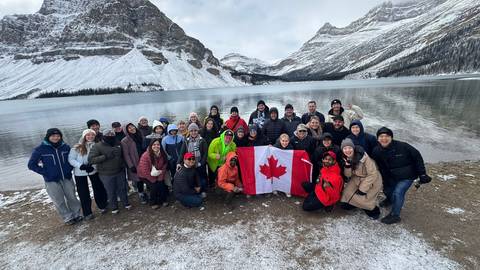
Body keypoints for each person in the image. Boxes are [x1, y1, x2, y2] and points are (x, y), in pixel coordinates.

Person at [371, 127, 432, 224]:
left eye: (387, 136)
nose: (384, 138)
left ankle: (395, 215)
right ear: (378, 138)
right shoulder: (376, 151)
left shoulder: (403, 146)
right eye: (381, 136)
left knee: (398, 192)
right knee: (388, 190)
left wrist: (422, 174)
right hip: (389, 176)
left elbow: (417, 157)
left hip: (407, 176)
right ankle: (390, 200)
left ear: (391, 137)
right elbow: (375, 165)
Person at [28, 128, 82, 225]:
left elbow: (71, 159)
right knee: (58, 200)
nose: (56, 138)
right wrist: (45, 172)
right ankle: (67, 217)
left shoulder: (65, 147)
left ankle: (77, 214)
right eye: (53, 136)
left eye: (58, 136)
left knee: (72, 197)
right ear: (48, 137)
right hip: (51, 180)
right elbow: (31, 165)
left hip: (67, 177)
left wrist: (68, 169)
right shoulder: (40, 149)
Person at [68, 129, 108, 220]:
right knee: (83, 192)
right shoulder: (77, 147)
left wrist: (93, 166)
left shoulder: (97, 145)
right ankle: (87, 212)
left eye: (92, 135)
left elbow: (98, 157)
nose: (90, 137)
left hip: (93, 170)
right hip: (80, 172)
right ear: (84, 136)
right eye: (88, 135)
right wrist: (80, 166)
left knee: (98, 189)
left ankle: (102, 206)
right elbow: (71, 159)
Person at [89, 130, 130, 214]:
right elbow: (91, 159)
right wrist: (105, 156)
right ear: (103, 136)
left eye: (112, 134)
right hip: (106, 173)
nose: (110, 135)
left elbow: (123, 155)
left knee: (122, 188)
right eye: (108, 134)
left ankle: (126, 203)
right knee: (110, 191)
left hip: (120, 171)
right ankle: (114, 207)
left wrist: (123, 165)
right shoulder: (97, 146)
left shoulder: (118, 144)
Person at [339, 138, 382, 220]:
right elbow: (348, 175)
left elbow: (373, 173)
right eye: (345, 148)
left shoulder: (364, 157)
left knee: (364, 197)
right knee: (346, 194)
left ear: (353, 148)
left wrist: (363, 189)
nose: (347, 150)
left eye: (349, 148)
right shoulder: (346, 158)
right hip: (357, 178)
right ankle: (353, 204)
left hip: (372, 179)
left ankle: (372, 209)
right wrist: (347, 166)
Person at [177, 123, 209, 197]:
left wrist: (201, 163)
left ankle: (204, 190)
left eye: (195, 130)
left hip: (200, 164)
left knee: (202, 178)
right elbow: (182, 153)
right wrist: (178, 162)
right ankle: (195, 191)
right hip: (190, 163)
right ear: (189, 132)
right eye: (191, 131)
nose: (193, 132)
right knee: (193, 178)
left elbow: (205, 153)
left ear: (198, 131)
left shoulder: (202, 140)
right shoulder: (186, 141)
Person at [137, 138, 169, 209]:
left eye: (158, 144)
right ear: (151, 146)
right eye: (154, 145)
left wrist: (160, 177)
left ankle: (163, 200)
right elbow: (144, 170)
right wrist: (153, 179)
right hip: (144, 175)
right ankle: (153, 202)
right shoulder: (145, 155)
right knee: (154, 186)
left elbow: (164, 165)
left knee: (161, 184)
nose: (156, 146)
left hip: (158, 173)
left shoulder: (162, 154)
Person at [121, 122, 147, 204]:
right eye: (129, 128)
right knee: (138, 179)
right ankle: (141, 194)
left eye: (132, 126)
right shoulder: (125, 141)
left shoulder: (140, 136)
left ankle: (149, 191)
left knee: (146, 176)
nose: (132, 128)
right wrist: (131, 166)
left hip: (144, 160)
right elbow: (126, 154)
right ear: (126, 130)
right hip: (135, 161)